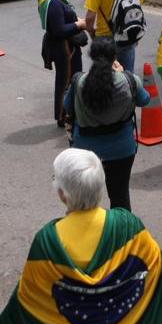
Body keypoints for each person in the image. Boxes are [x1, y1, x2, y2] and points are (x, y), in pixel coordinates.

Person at [0, 148, 162, 324]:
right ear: (101, 186)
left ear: (63, 194)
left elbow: (29, 296)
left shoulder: (47, 240)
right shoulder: (126, 224)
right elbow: (158, 262)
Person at [63, 38, 149, 211]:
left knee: (84, 199)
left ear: (91, 56)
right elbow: (144, 99)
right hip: (121, 149)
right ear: (114, 57)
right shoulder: (128, 81)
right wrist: (124, 73)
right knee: (120, 196)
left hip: (85, 151)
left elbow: (67, 106)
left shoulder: (79, 82)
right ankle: (122, 233)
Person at [38, 0, 87, 127]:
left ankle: (67, 114)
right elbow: (59, 30)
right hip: (64, 49)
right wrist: (79, 25)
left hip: (67, 46)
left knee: (68, 80)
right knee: (67, 82)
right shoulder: (52, 2)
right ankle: (65, 116)